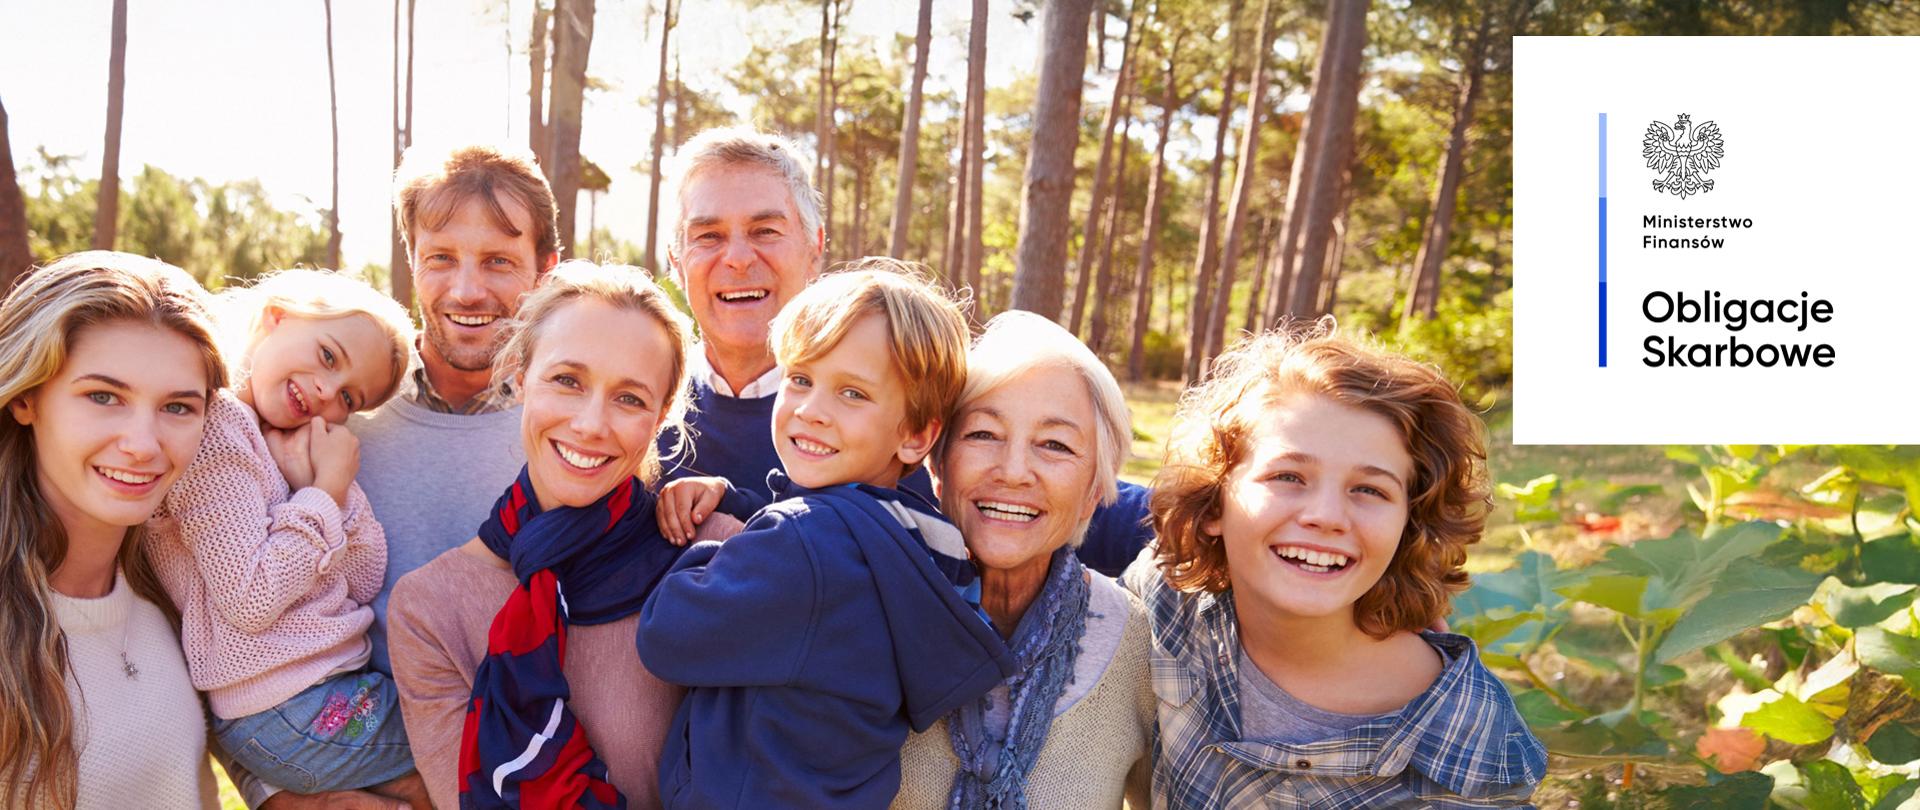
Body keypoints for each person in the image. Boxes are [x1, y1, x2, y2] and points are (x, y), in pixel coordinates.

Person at [651, 126, 1150, 572]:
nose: (738, 258)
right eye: (708, 236)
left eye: (766, 231)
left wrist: (1189, 507)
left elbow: (1090, 499)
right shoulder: (637, 418)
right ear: (676, 260)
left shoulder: (906, 403)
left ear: (815, 246)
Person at [636, 265, 1017, 810]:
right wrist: (741, 504)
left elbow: (666, 634)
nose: (812, 411)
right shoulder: (931, 541)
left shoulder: (800, 543)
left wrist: (718, 545)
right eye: (799, 379)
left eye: (852, 393)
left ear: (916, 435)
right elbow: (823, 579)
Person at [1124, 325, 1547, 807]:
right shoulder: (1166, 601)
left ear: (1410, 524)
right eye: (1288, 476)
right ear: (1214, 504)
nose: (1326, 516)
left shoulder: (1469, 739)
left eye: (1369, 489)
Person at [387, 262, 698, 809]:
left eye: (629, 398)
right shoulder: (430, 609)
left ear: (660, 415)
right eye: (567, 381)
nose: (590, 424)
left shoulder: (713, 558)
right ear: (519, 377)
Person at [141, 269, 427, 805]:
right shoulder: (218, 430)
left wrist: (321, 489)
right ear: (277, 317)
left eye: (349, 398)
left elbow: (365, 576)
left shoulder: (291, 445)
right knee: (463, 737)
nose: (327, 392)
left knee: (453, 742)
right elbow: (250, 598)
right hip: (288, 706)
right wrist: (324, 490)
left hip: (322, 693)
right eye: (327, 355)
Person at [892, 311, 1153, 809]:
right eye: (983, 434)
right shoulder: (874, 612)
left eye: (1055, 444)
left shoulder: (1137, 641)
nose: (1013, 471)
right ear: (937, 464)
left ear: (1094, 489)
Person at [0, 252, 228, 808]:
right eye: (103, 397)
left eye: (178, 407)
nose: (143, 445)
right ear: (27, 398)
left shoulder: (182, 587)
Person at [353, 143, 561, 677]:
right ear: (412, 260)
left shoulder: (574, 427)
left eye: (498, 262)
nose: (467, 292)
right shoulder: (342, 406)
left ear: (545, 271)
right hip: (358, 722)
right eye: (441, 258)